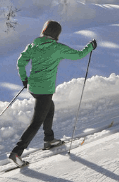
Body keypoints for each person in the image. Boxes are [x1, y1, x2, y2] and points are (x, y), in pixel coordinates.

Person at [8, 20, 97, 166]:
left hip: (33, 88)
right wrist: (90, 47)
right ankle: (17, 152)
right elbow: (79, 55)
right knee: (36, 122)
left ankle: (49, 139)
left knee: (49, 107)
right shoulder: (57, 48)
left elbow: (20, 62)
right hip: (44, 90)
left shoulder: (33, 45)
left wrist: (24, 79)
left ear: (44, 31)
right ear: (57, 35)